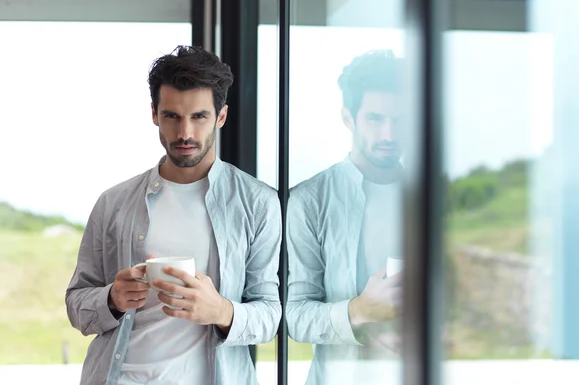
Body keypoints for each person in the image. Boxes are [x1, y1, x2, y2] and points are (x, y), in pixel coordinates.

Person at [66, 46, 282, 385]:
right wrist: (111, 298)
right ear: (154, 113)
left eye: (199, 117)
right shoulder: (114, 202)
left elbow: (270, 316)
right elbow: (77, 304)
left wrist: (221, 310)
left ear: (221, 117)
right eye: (172, 116)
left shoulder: (258, 203)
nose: (185, 133)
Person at [286, 50, 404, 384]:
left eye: (400, 119)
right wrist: (361, 310)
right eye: (376, 119)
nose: (389, 135)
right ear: (348, 118)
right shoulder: (311, 200)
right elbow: (294, 316)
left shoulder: (435, 200)